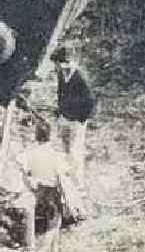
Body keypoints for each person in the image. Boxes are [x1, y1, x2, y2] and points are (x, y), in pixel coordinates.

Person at [17, 121, 69, 251]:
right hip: (50, 194)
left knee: (38, 214)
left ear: (36, 135)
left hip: (36, 193)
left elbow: (20, 164)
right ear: (49, 135)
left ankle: (50, 248)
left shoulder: (29, 153)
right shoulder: (55, 155)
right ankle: (44, 248)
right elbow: (62, 177)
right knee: (55, 220)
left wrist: (29, 182)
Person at [51, 46, 94, 185]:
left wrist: (81, 119)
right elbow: (60, 91)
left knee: (75, 150)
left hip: (77, 119)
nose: (58, 68)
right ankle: (65, 177)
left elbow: (89, 101)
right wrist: (60, 111)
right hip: (64, 116)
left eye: (60, 64)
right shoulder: (61, 73)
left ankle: (77, 183)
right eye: (58, 65)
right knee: (63, 146)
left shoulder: (80, 77)